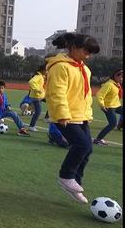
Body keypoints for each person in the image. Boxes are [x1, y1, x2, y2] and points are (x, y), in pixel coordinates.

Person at [46, 32, 100, 204]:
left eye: (91, 52)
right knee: (82, 145)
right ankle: (66, 176)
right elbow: (57, 93)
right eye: (86, 51)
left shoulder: (84, 69)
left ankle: (75, 182)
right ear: (73, 47)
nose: (88, 55)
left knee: (88, 149)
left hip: (81, 115)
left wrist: (88, 114)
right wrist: (62, 114)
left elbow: (86, 96)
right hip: (65, 116)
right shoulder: (60, 66)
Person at [93, 69, 123, 145]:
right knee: (112, 124)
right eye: (121, 77)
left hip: (116, 105)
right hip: (108, 107)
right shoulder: (109, 85)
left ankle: (120, 125)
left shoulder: (117, 84)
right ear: (116, 76)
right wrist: (102, 105)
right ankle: (98, 139)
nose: (122, 79)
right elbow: (99, 95)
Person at [26, 65, 47, 132]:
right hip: (36, 97)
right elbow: (31, 82)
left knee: (50, 103)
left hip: (39, 96)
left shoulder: (41, 76)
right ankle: (31, 126)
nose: (47, 72)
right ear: (43, 70)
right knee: (38, 112)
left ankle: (32, 125)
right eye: (46, 70)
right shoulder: (38, 76)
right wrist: (37, 89)